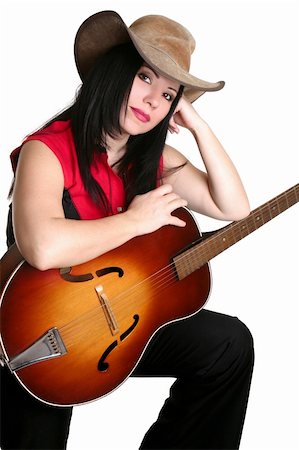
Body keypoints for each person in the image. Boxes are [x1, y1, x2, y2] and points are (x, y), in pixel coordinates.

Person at [0, 10, 254, 450]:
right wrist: (135, 220)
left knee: (228, 345)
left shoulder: (153, 160)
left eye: (169, 94)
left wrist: (199, 126)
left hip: (119, 326)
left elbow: (233, 206)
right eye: (144, 77)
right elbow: (41, 246)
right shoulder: (48, 149)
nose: (154, 100)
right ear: (114, 73)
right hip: (40, 335)